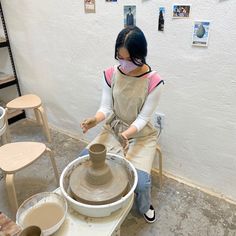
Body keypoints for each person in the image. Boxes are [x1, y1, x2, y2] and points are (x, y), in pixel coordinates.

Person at [80, 26, 164, 223]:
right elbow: (106, 108)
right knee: (85, 160)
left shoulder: (154, 81)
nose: (123, 63)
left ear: (140, 55)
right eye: (120, 57)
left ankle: (145, 206)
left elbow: (143, 119)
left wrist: (127, 134)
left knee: (140, 184)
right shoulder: (111, 74)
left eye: (130, 59)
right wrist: (96, 119)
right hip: (114, 129)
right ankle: (100, 196)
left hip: (140, 135)